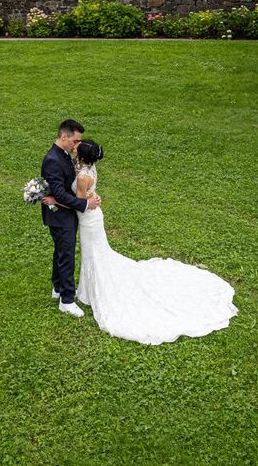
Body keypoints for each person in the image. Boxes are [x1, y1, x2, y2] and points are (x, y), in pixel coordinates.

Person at [44, 139, 237, 345]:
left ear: (81, 157)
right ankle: (76, 289)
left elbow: (80, 202)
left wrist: (55, 200)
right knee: (96, 254)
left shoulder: (83, 176)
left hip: (89, 219)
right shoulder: (87, 168)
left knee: (94, 255)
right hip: (92, 216)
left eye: (77, 148)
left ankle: (90, 290)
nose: (75, 147)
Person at [40, 120, 101, 317]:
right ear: (63, 137)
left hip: (67, 214)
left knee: (61, 251)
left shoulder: (64, 154)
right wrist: (85, 204)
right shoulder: (53, 159)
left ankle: (58, 288)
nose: (77, 146)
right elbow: (59, 193)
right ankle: (66, 300)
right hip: (60, 216)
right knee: (66, 255)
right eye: (75, 141)